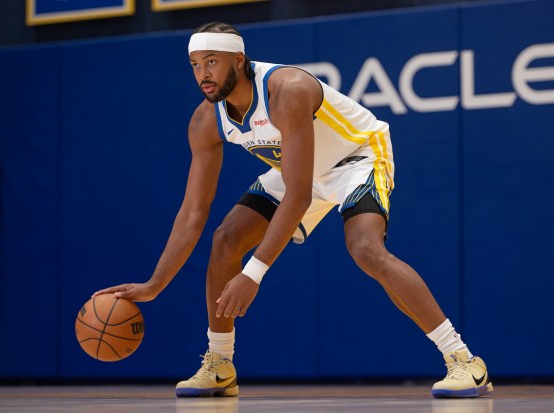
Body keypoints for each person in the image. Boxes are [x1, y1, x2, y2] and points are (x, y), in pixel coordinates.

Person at [93, 22, 492, 399]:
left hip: (356, 157)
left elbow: (298, 195)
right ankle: (219, 364)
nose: (202, 74)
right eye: (195, 65)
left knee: (365, 250)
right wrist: (154, 284)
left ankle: (463, 360)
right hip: (297, 169)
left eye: (211, 62)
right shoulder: (205, 120)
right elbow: (193, 211)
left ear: (238, 60)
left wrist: (254, 273)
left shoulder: (289, 89)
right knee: (225, 239)